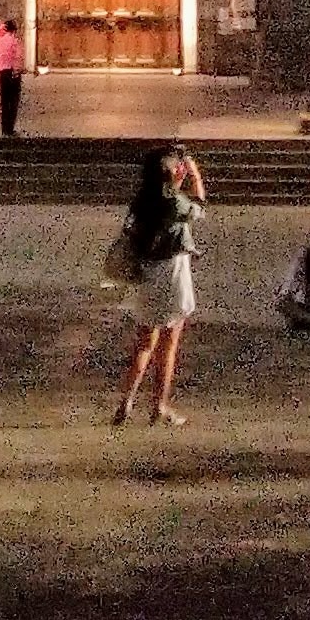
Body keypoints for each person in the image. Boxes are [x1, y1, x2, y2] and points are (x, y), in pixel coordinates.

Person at [111, 142, 204, 425]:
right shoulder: (173, 203)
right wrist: (194, 175)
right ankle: (159, 405)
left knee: (144, 343)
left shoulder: (142, 200)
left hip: (146, 274)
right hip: (172, 272)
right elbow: (199, 206)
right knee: (169, 344)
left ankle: (126, 402)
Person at [0, 14, 26, 139]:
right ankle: (10, 129)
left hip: (2, 72)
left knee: (4, 100)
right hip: (12, 72)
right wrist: (18, 70)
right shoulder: (15, 41)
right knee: (13, 102)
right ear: (14, 30)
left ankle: (4, 128)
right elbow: (18, 57)